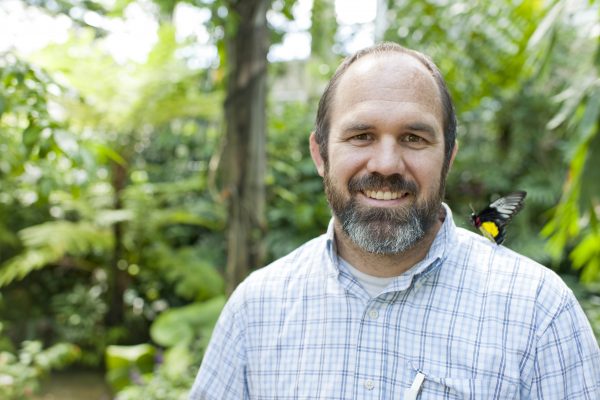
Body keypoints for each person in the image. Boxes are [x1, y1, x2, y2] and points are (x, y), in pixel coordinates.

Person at [189, 42, 600, 399]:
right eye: (361, 136)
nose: (386, 164)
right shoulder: (257, 309)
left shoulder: (538, 312)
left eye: (414, 138)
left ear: (448, 158)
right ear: (320, 154)